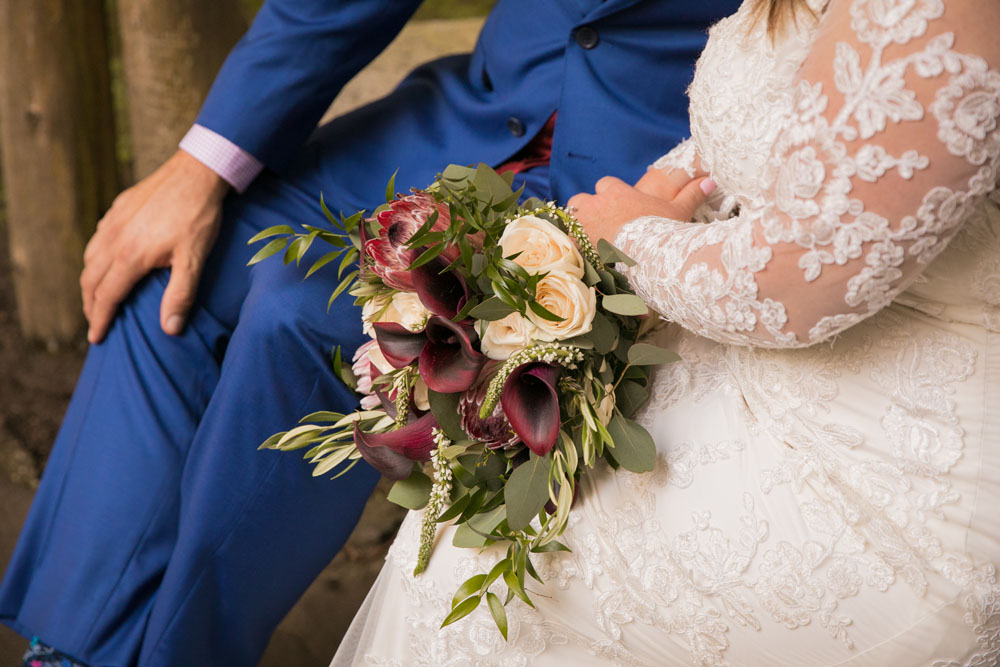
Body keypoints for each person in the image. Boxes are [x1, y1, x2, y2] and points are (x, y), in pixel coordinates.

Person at [0, 0, 741, 665]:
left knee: (300, 320)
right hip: (471, 118)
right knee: (168, 270)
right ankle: (67, 649)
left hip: (637, 187)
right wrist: (199, 167)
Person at [329, 0, 1000, 664]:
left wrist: (627, 238)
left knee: (485, 557)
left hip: (896, 479)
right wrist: (662, 188)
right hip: (781, 370)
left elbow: (801, 278)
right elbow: (804, 115)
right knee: (487, 521)